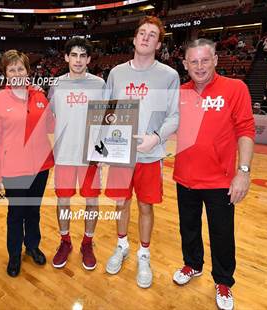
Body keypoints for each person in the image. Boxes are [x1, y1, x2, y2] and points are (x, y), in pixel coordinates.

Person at [173, 39, 255, 310]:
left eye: (204, 60)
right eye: (193, 61)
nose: (199, 66)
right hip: (185, 177)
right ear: (185, 64)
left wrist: (242, 172)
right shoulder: (179, 92)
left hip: (221, 180)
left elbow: (245, 130)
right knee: (189, 228)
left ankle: (223, 281)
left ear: (216, 60)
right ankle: (192, 264)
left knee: (221, 233)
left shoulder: (235, 88)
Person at [104, 16, 180, 288]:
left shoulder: (168, 75)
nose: (146, 37)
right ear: (135, 39)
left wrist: (156, 138)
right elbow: (107, 110)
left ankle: (144, 253)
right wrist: (103, 148)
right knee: (120, 203)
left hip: (150, 155)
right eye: (142, 33)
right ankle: (121, 245)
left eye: (152, 35)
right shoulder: (116, 73)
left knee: (146, 205)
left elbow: (174, 116)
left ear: (158, 44)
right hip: (120, 154)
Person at [0, 50, 54, 277]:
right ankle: (14, 253)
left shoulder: (40, 97)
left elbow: (51, 128)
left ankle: (32, 246)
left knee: (33, 210)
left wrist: (45, 100)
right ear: (5, 73)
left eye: (20, 68)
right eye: (12, 69)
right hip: (14, 169)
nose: (17, 73)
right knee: (16, 213)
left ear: (28, 71)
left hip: (41, 167)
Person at [49, 38, 105, 270]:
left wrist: (102, 151)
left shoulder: (100, 84)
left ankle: (87, 243)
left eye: (83, 56)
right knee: (63, 201)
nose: (78, 60)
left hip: (90, 156)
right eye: (74, 55)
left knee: (92, 202)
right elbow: (51, 116)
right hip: (63, 156)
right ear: (66, 57)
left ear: (89, 59)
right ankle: (65, 241)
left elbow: (107, 119)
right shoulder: (56, 84)